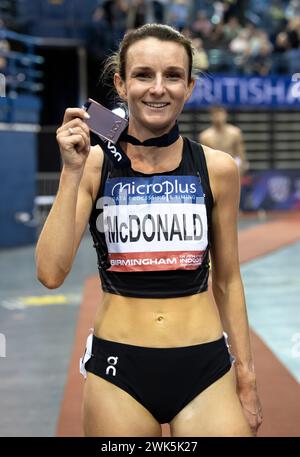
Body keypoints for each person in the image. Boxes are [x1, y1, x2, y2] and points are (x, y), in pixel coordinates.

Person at [35, 24, 262, 437]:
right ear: (121, 83)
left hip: (204, 368)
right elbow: (50, 274)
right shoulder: (91, 164)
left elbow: (228, 279)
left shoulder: (217, 169)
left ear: (189, 87)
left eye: (173, 76)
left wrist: (246, 377)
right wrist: (70, 171)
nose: (158, 88)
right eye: (143, 75)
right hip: (118, 372)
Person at [199, 106, 249, 175]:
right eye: (215, 114)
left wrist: (240, 168)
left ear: (225, 114)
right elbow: (203, 158)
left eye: (220, 113)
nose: (218, 117)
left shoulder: (235, 133)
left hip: (232, 168)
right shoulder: (205, 136)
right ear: (211, 116)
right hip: (213, 170)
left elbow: (240, 154)